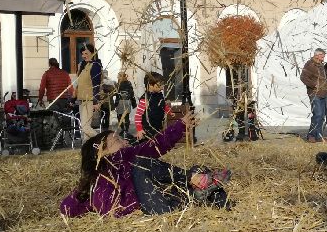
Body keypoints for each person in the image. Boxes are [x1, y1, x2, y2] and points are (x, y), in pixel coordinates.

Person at [59, 111, 230, 217]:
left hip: (159, 203)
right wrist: (180, 126)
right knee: (141, 162)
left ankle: (212, 196)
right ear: (101, 153)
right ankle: (193, 179)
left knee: (194, 173)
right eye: (117, 140)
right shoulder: (115, 165)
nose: (124, 141)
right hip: (149, 207)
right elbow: (155, 146)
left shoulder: (123, 162)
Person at [300, 48, 327, 143]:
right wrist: (314, 85)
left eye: (324, 56)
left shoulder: (321, 65)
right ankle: (311, 135)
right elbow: (303, 77)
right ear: (317, 55)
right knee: (317, 114)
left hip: (324, 92)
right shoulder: (310, 64)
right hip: (315, 93)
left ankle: (319, 136)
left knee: (321, 115)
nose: (323, 57)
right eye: (322, 55)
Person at [74, 44, 102, 138]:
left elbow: (96, 85)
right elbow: (78, 84)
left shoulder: (95, 66)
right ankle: (88, 151)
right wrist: (73, 98)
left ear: (93, 53)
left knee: (85, 127)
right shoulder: (83, 66)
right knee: (84, 131)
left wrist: (96, 101)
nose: (83, 55)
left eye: (86, 53)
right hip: (82, 100)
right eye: (82, 54)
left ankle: (103, 142)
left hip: (89, 100)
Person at [134, 72, 171, 139]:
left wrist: (169, 111)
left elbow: (162, 105)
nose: (162, 88)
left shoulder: (159, 95)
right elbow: (138, 116)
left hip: (158, 127)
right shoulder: (144, 99)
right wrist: (139, 129)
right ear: (150, 85)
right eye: (160, 85)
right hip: (148, 130)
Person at [114, 72, 137, 138]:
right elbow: (115, 93)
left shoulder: (128, 83)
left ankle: (125, 130)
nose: (117, 77)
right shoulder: (117, 84)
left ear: (123, 77)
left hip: (126, 102)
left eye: (119, 76)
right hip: (119, 102)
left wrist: (125, 95)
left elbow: (131, 93)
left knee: (125, 117)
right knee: (119, 117)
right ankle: (122, 129)